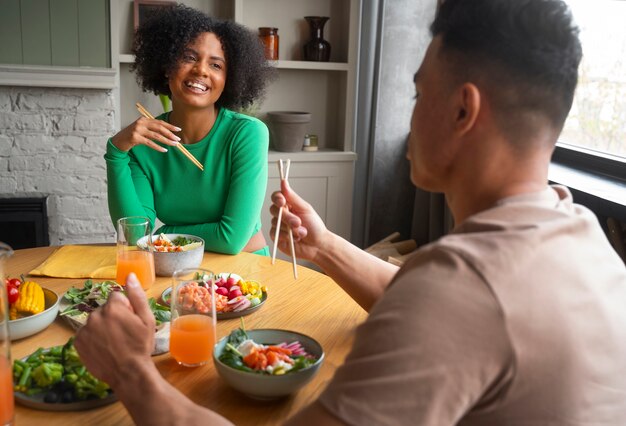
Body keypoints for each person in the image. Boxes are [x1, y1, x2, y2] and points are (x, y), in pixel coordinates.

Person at [76, 0, 626, 424]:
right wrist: (322, 245)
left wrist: (128, 369)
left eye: (417, 94)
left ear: (463, 109)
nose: (409, 117)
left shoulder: (464, 292)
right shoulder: (581, 236)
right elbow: (418, 292)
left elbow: (446, 302)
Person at [105, 5, 275, 255]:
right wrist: (116, 152)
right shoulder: (143, 143)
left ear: (230, 79)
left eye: (216, 65)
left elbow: (231, 239)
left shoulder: (247, 134)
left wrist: (164, 234)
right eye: (189, 57)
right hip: (175, 269)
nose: (201, 70)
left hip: (243, 272)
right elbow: (135, 237)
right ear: (166, 66)